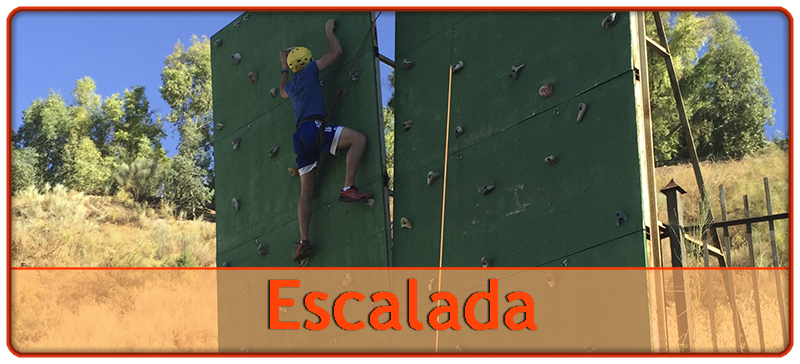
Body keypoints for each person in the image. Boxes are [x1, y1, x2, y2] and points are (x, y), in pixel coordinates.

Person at [279, 19, 371, 263]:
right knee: (359, 140)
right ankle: (348, 187)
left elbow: (281, 92)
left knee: (306, 193)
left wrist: (283, 69)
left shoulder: (291, 86)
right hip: (314, 128)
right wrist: (328, 31)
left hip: (300, 138)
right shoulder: (310, 70)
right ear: (307, 61)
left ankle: (303, 241)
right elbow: (336, 52)